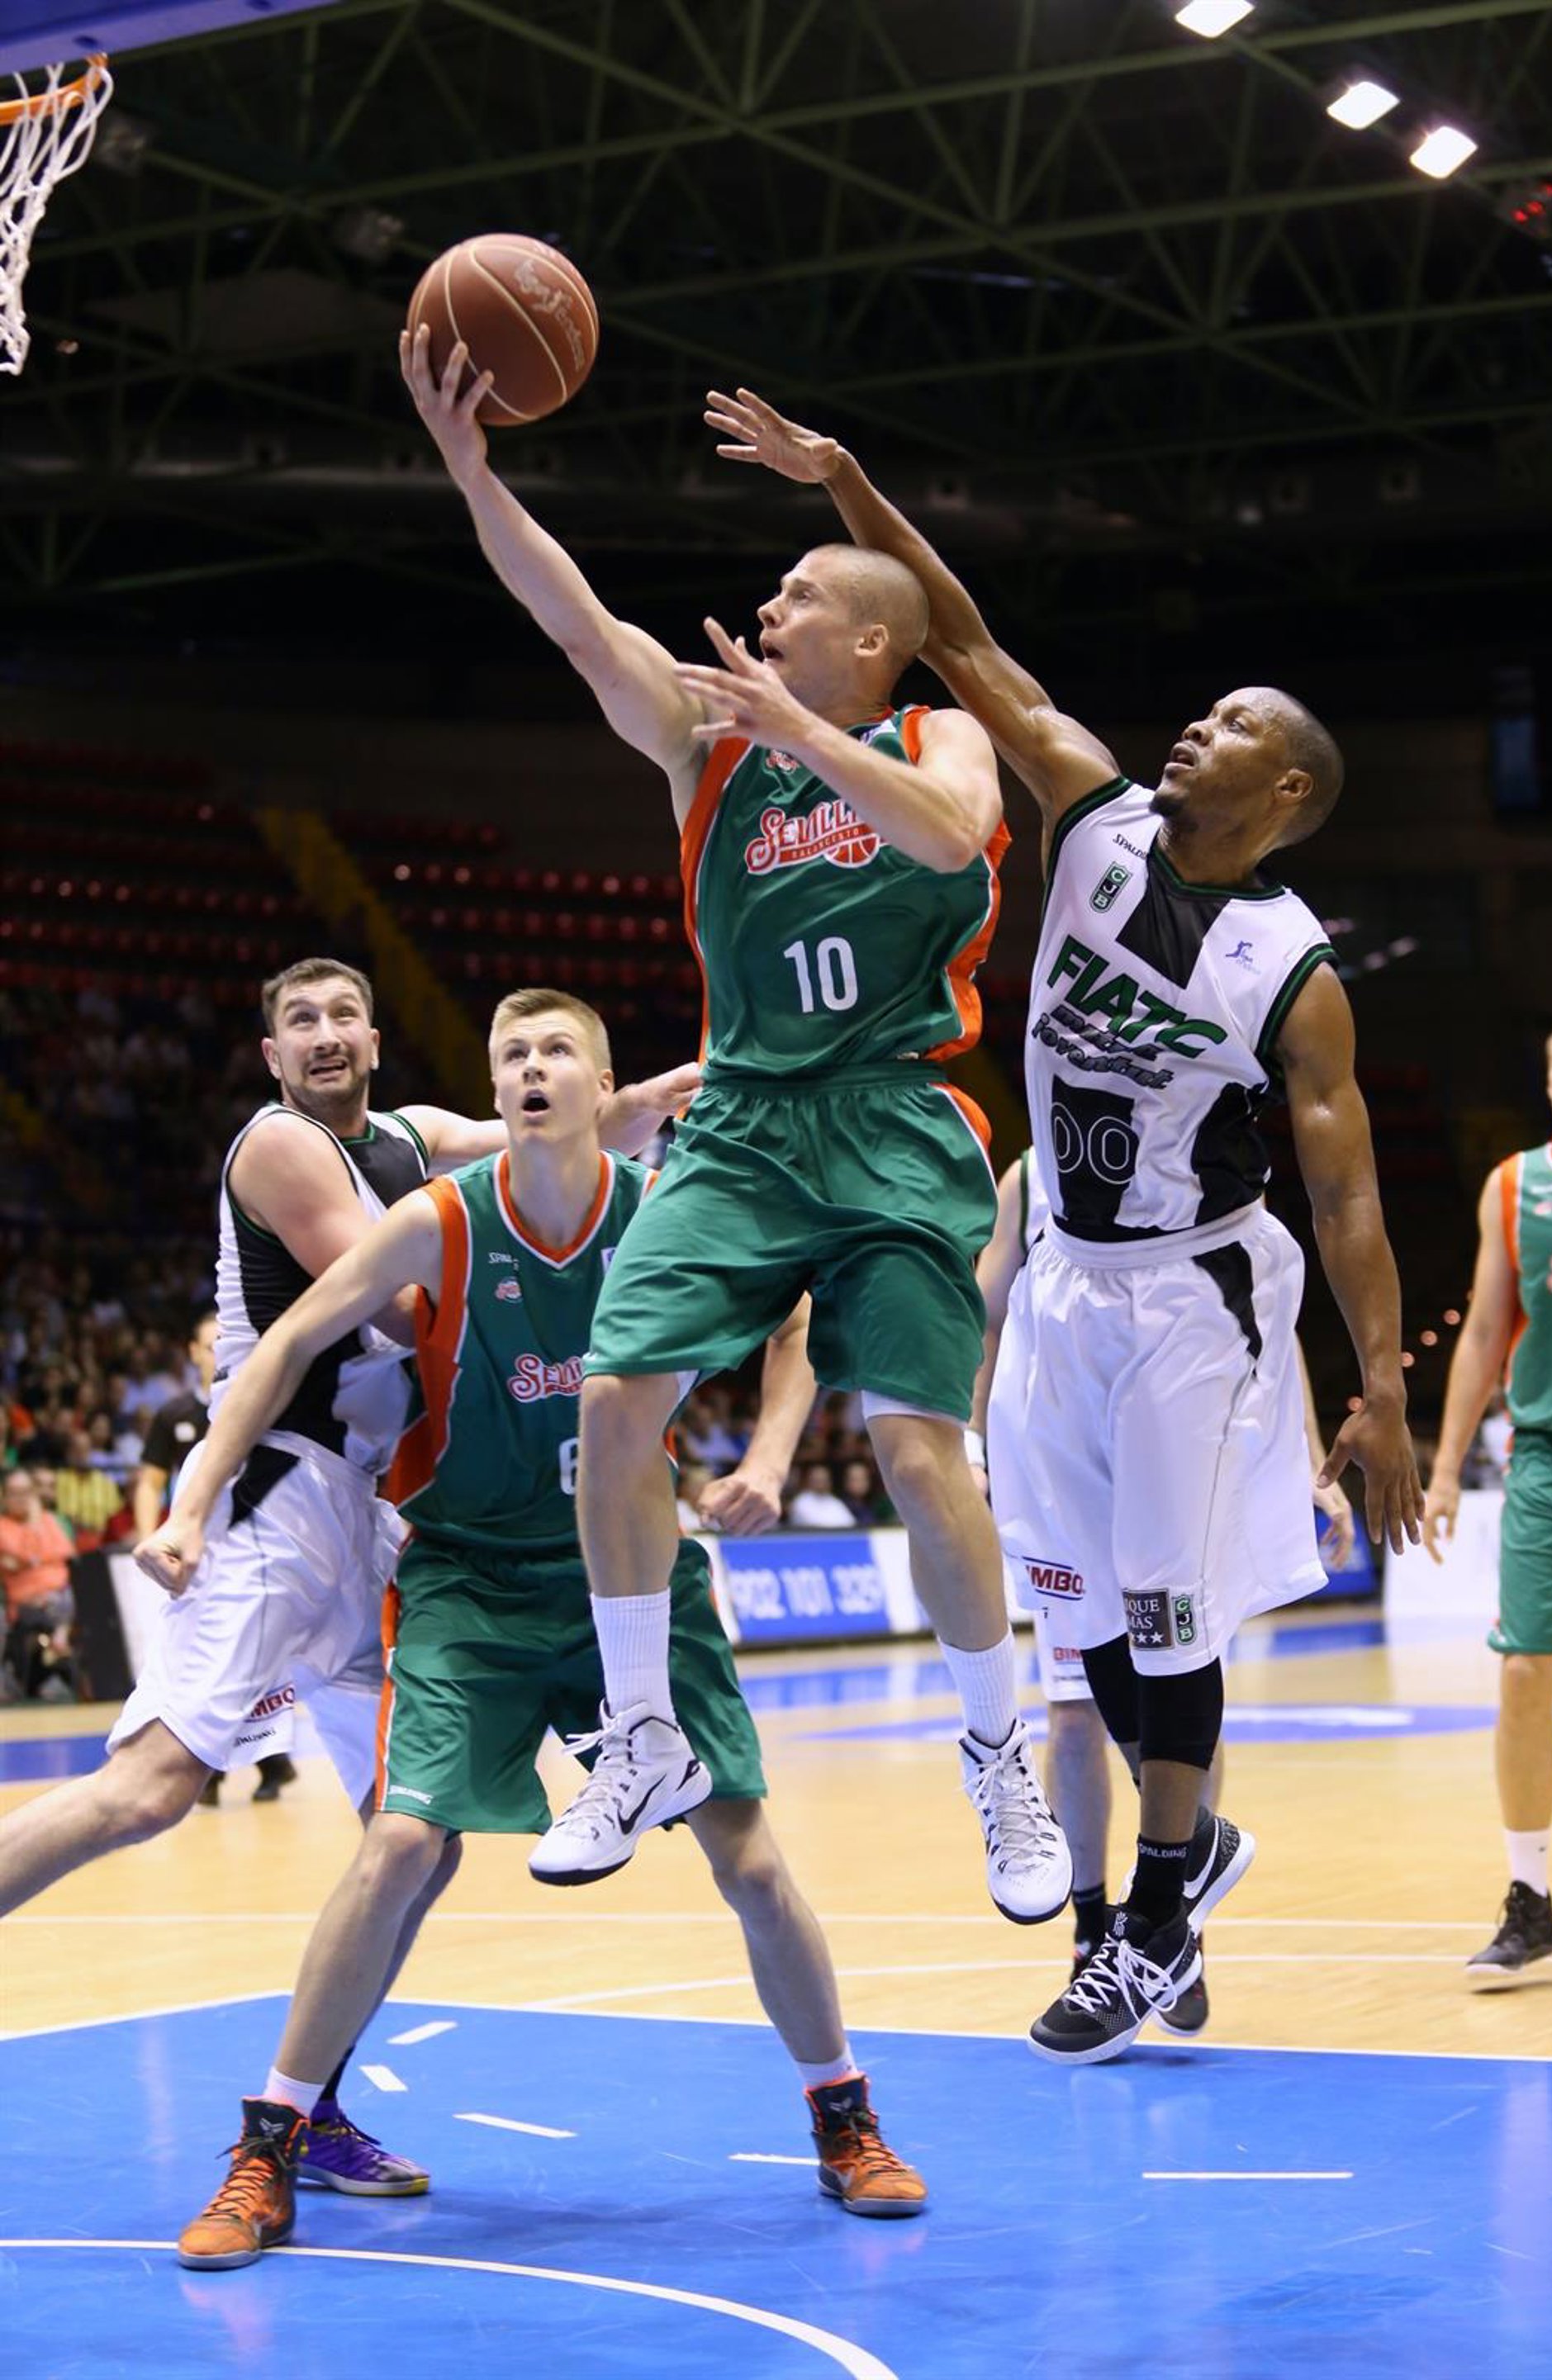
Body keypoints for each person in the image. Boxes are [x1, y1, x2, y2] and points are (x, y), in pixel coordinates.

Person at [708, 387, 1422, 2060]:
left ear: (1286, 785)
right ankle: (1192, 1849)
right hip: (1061, 1283)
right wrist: (848, 478)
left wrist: (1383, 1388)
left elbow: (1347, 1191)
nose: (1193, 728)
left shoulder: (1293, 971)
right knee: (1079, 1613)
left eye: (1230, 724)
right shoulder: (1091, 812)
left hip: (1193, 1294)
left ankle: (1155, 1912)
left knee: (1164, 1611)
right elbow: (958, 637)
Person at [403, 326, 1071, 1928]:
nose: (766, 613)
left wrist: (804, 733)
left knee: (917, 1445)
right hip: (746, 1120)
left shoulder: (935, 735)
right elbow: (575, 618)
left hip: (900, 1114)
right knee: (615, 1397)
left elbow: (955, 836)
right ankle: (639, 1732)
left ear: (871, 639)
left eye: (797, 598)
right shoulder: (708, 746)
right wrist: (471, 471)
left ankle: (1000, 1754)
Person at [139, 989, 926, 2269]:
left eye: (558, 1049)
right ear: (496, 1090)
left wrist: (773, 1456)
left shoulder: (663, 1215)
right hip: (471, 1578)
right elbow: (284, 1340)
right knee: (402, 1841)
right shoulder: (439, 1219)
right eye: (512, 1053)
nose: (533, 1067)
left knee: (748, 1858)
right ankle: (270, 2140)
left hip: (633, 1578)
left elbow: (798, 1311)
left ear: (601, 1086)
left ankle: (845, 2116)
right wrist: (188, 1503)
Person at [0, 955, 696, 2192]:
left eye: (342, 1016)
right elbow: (416, 1300)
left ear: (376, 1039)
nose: (324, 1034)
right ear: (273, 1056)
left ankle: (308, 2109)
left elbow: (557, 1133)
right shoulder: (281, 1145)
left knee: (413, 1838)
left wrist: (655, 1101)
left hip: (373, 1518)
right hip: (280, 1494)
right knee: (149, 1791)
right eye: (299, 1022)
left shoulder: (413, 1132)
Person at [971, 1145, 1356, 2023]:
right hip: (1063, 1448)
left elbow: (1263, 1315)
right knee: (1076, 1710)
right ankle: (1097, 1922)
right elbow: (986, 1315)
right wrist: (975, 1439)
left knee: (1177, 1657)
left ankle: (1172, 1902)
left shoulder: (1196, 1146)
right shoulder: (1030, 1179)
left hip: (1172, 1435)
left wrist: (1302, 1453)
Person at [1425, 1016, 1552, 1987]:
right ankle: (1530, 1896)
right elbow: (1484, 1329)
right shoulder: (1516, 1186)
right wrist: (1446, 1467)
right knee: (1525, 1669)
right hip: (1550, 1458)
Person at [132, 1311, 296, 1807]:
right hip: (192, 1551)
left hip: (249, 1546)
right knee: (201, 1657)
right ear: (193, 1353)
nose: (219, 1349)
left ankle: (262, 1760)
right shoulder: (175, 1415)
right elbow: (150, 1483)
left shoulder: (267, 1401)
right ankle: (227, 1765)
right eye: (210, 1343)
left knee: (251, 1655)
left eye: (227, 1338)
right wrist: (152, 1537)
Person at [0, 1467, 76, 1700]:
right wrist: (33, 1529)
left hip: (58, 1593)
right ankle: (59, 1643)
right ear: (4, 1496)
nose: (21, 1498)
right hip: (24, 1602)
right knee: (58, 1602)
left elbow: (65, 1552)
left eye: (26, 1492)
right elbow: (29, 1555)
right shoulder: (3, 1526)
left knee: (71, 1596)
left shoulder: (49, 1520)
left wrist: (29, 1561)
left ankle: (60, 1644)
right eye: (15, 1493)